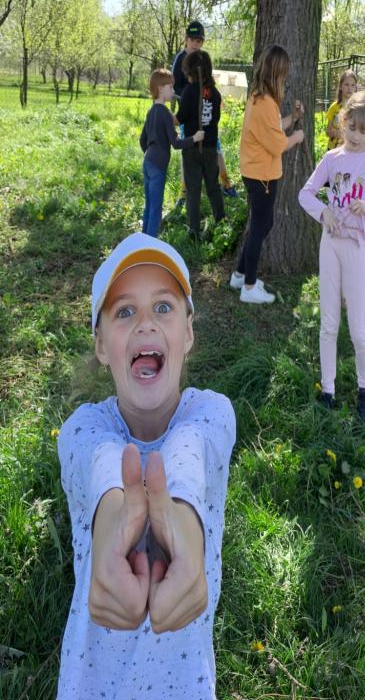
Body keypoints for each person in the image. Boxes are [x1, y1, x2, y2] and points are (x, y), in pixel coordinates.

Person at [56, 232, 236, 700]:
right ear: (101, 345)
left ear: (188, 333)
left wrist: (181, 522)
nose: (145, 324)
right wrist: (116, 518)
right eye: (124, 312)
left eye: (163, 306)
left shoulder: (213, 413)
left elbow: (189, 454)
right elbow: (102, 463)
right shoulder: (80, 429)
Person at [298, 91, 365, 421]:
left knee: (358, 327)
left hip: (357, 249)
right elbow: (305, 193)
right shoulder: (332, 159)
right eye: (352, 128)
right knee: (329, 322)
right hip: (330, 244)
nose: (357, 136)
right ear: (343, 123)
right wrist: (323, 212)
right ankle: (327, 389)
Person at [229, 45, 304, 304]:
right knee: (260, 227)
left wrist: (292, 118)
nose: (286, 78)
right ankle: (249, 287)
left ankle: (240, 275)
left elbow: (271, 128)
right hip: (262, 175)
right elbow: (277, 144)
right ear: (277, 74)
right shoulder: (266, 103)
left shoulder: (259, 98)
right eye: (284, 73)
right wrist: (297, 136)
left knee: (263, 224)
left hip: (256, 171)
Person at [172, 21, 238, 200]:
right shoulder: (180, 59)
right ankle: (185, 190)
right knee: (188, 150)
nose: (195, 44)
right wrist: (189, 96)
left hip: (206, 112)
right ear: (186, 40)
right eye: (192, 40)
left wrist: (214, 98)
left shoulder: (202, 58)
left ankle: (226, 182)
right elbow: (175, 86)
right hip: (188, 115)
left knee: (215, 147)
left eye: (199, 41)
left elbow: (209, 82)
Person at [140, 69, 204, 237]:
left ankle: (143, 241)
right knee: (156, 209)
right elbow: (175, 143)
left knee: (149, 205)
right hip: (158, 166)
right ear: (160, 88)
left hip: (147, 162)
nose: (174, 91)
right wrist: (195, 138)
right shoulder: (165, 113)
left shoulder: (151, 111)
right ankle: (150, 245)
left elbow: (142, 140)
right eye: (171, 87)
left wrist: (151, 154)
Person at [177, 50, 225, 239]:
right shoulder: (215, 94)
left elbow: (180, 118)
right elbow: (216, 119)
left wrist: (165, 116)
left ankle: (194, 230)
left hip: (191, 148)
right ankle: (221, 223)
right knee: (213, 186)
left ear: (190, 72)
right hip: (211, 148)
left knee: (193, 190)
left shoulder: (189, 92)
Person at [325, 69, 358, 149]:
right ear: (340, 86)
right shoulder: (334, 107)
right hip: (333, 149)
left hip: (350, 149)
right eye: (346, 84)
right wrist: (335, 133)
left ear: (355, 88)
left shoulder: (357, 109)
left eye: (352, 85)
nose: (349, 88)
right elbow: (328, 131)